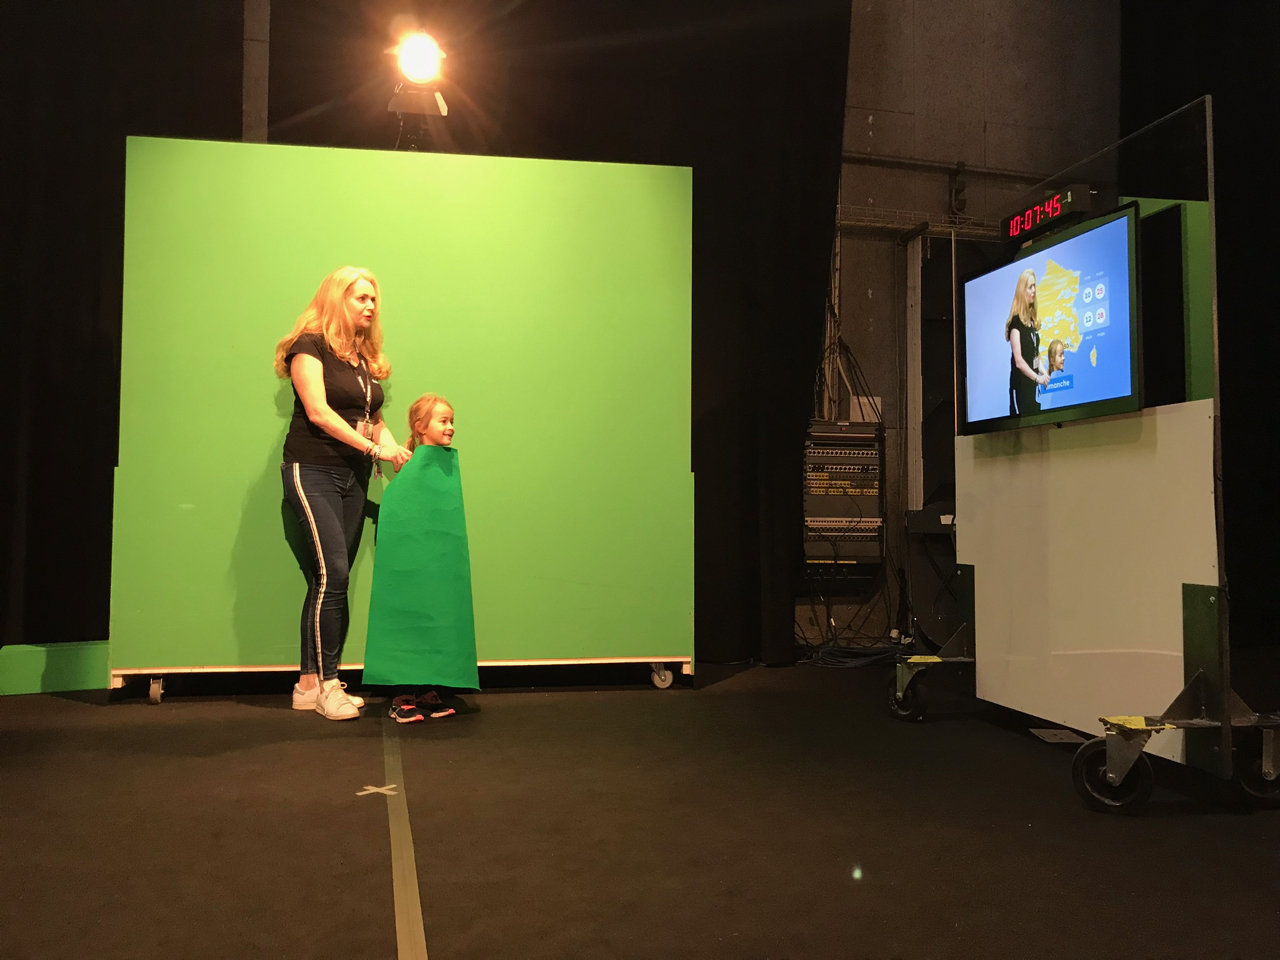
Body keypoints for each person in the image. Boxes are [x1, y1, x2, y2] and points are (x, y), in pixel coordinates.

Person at [275, 267, 413, 720]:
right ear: (337, 299)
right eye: (361, 298)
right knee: (333, 575)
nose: (371, 306)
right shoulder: (308, 346)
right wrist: (374, 448)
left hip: (353, 477)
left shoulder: (362, 360)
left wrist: (395, 450)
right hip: (312, 470)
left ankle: (307, 684)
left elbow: (373, 419)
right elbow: (318, 412)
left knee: (328, 580)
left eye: (374, 299)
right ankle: (329, 686)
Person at [363, 394, 480, 723]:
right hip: (409, 561)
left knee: (438, 608)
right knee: (408, 609)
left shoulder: (446, 467)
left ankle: (428, 686)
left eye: (452, 421)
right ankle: (402, 692)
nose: (451, 427)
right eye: (443, 421)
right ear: (420, 427)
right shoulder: (410, 468)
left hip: (439, 559)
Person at [1006, 268, 1049, 415]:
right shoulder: (1016, 323)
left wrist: (1044, 373)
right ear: (1022, 290)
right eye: (1030, 287)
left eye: (1034, 286)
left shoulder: (1031, 322)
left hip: (1032, 389)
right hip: (1020, 389)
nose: (1034, 291)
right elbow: (1019, 361)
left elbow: (1035, 354)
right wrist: (1038, 378)